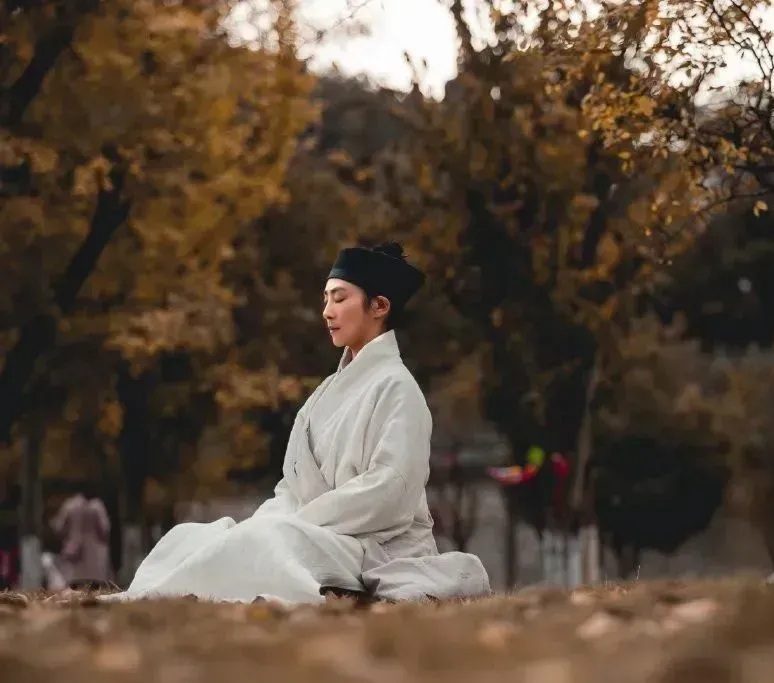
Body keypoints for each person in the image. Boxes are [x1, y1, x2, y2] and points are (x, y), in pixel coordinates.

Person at [100, 242, 490, 604]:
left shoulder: (399, 389)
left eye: (340, 298)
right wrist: (273, 520)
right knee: (191, 536)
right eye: (325, 299)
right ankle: (148, 596)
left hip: (372, 544)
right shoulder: (323, 394)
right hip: (316, 531)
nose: (327, 311)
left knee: (270, 539)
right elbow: (291, 486)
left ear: (379, 306)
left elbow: (390, 492)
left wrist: (301, 522)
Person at [50, 490, 112, 590]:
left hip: (74, 554)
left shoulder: (69, 505)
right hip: (95, 558)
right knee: (95, 589)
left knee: (75, 589)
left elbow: (60, 528)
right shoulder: (98, 506)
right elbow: (105, 529)